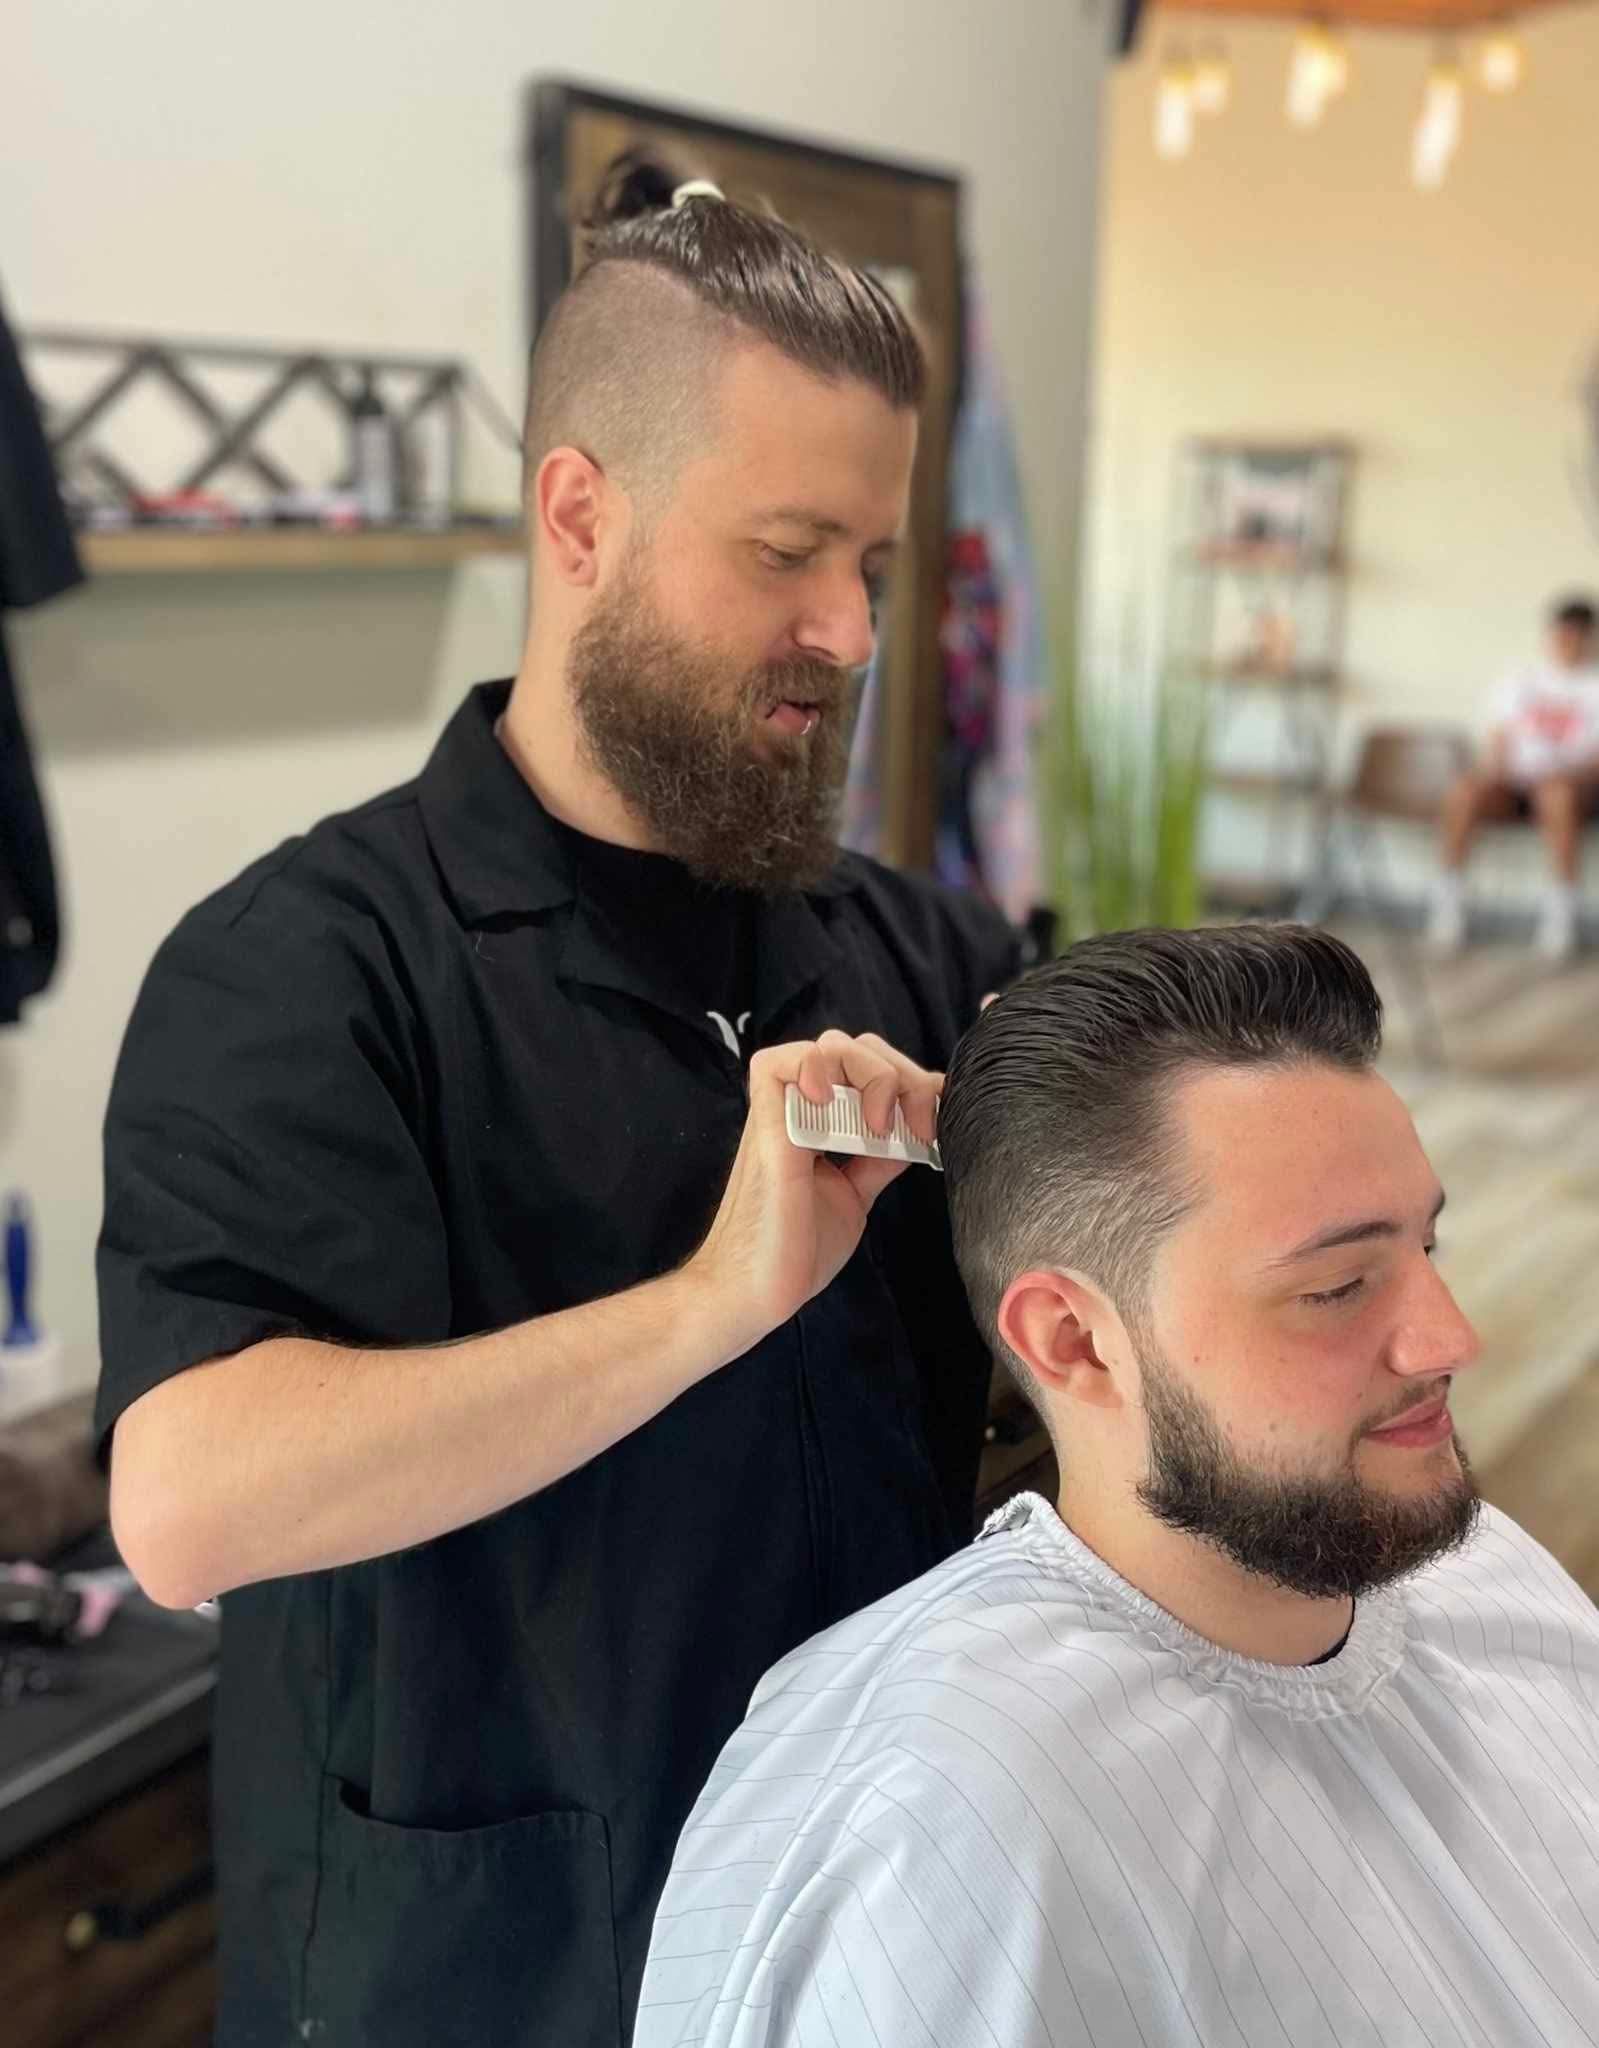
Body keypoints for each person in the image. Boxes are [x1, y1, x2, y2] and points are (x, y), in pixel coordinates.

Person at [95, 155, 1018, 2047]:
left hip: (873, 1938)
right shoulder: (305, 968)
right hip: (481, 1971)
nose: (847, 630)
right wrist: (705, 1304)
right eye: (785, 554)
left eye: (870, 565)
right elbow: (185, 1500)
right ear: (576, 515)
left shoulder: (916, 949)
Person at [636, 924, 1599, 2048]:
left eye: (1425, 1249)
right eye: (1339, 1286)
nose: (1451, 1338)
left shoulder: (1493, 1583)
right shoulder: (951, 1822)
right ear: (1074, 1340)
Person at [1430, 593, 1599, 960]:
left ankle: (1560, 914)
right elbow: (1497, 741)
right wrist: (1495, 770)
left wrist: (1562, 775)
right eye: (1561, 633)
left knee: (1557, 793)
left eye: (1576, 635)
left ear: (1589, 638)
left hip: (1571, 789)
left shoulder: (1594, 687)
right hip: (1513, 783)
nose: (1566, 642)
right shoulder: (1520, 680)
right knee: (1464, 791)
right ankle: (1449, 902)